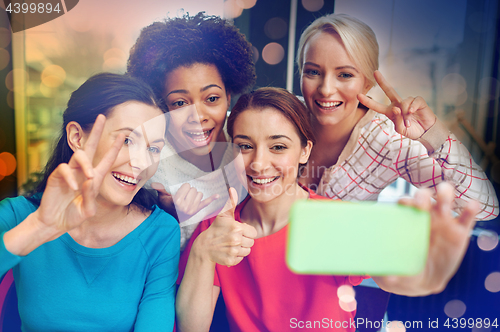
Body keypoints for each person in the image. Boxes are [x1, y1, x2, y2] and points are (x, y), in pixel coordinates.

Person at [175, 87, 480, 332]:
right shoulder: (216, 230)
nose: (258, 163)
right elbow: (192, 327)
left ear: (305, 150)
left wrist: (421, 276)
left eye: (278, 146)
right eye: (245, 146)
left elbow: (391, 276)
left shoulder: (333, 220)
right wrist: (202, 251)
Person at [0, 73, 179, 331]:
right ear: (76, 137)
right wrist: (38, 228)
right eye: (127, 140)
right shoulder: (18, 215)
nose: (142, 162)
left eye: (153, 149)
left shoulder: (160, 233)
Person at [296, 13, 498, 220]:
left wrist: (436, 136)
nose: (326, 89)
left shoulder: (389, 140)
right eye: (313, 72)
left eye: (345, 74)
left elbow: (485, 208)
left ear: (367, 82)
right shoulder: (282, 115)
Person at [127, 12, 256, 250]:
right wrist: (167, 217)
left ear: (228, 97)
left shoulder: (247, 139)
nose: (198, 117)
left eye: (212, 98)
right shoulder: (154, 168)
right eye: (180, 103)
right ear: (162, 106)